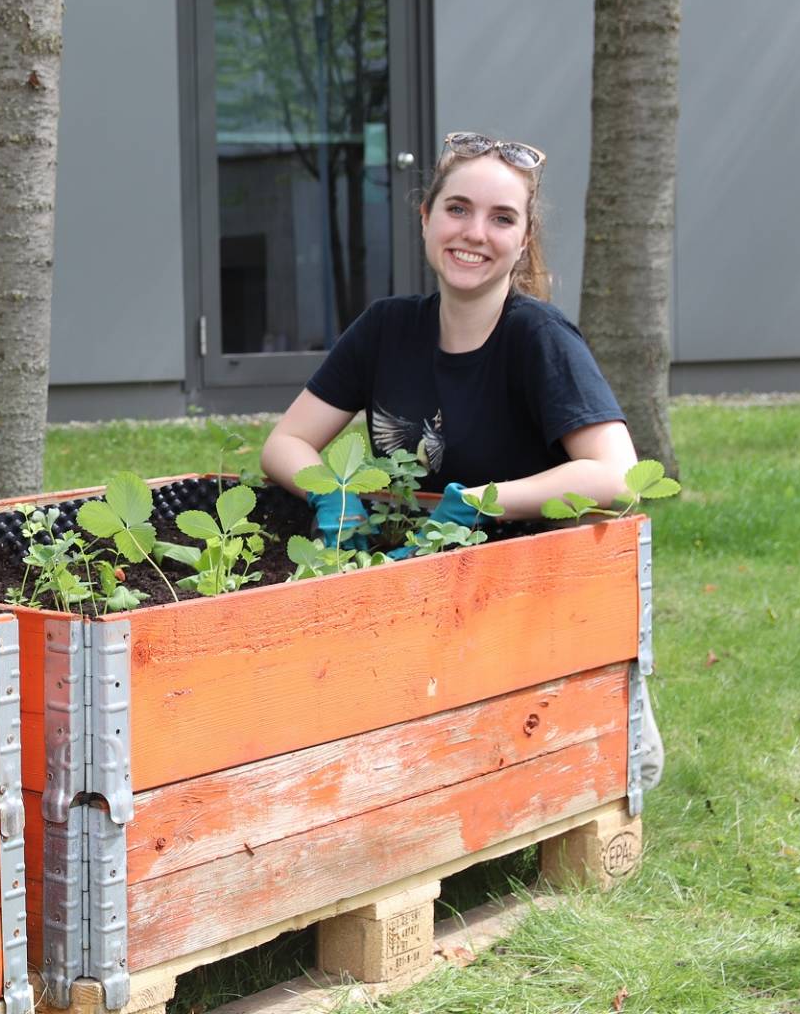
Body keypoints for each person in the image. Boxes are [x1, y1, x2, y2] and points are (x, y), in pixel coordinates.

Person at [260, 130, 661, 785]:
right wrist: (332, 493)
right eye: (458, 209)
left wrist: (480, 502)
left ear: (523, 240)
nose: (475, 232)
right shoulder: (387, 329)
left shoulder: (537, 338)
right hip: (414, 586)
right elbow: (285, 443)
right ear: (425, 218)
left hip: (526, 596)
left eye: (501, 218)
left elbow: (615, 472)